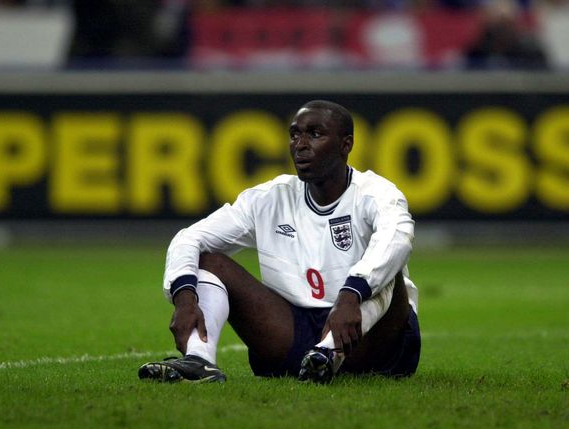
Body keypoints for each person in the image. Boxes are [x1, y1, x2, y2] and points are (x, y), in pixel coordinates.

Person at [138, 100, 420, 384]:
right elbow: (189, 237)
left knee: (390, 276)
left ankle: (328, 353)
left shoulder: (377, 193)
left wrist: (351, 295)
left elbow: (397, 239)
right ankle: (199, 361)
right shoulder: (269, 198)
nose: (300, 144)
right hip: (291, 332)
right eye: (295, 134)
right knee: (209, 260)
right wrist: (184, 299)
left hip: (371, 341)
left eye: (315, 134)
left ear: (346, 145)